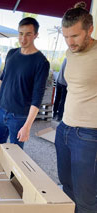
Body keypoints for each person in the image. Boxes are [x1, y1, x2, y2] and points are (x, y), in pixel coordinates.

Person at [55, 2, 97, 213]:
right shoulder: (70, 52)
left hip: (89, 135)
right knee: (66, 187)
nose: (70, 42)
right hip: (64, 130)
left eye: (75, 36)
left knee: (86, 198)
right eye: (66, 36)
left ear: (90, 30)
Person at [0, 17, 50, 149]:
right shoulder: (11, 53)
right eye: (21, 34)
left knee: (15, 154)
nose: (23, 38)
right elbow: (2, 78)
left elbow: (37, 97)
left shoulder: (41, 62)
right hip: (1, 110)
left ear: (36, 35)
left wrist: (27, 126)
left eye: (28, 34)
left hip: (19, 117)